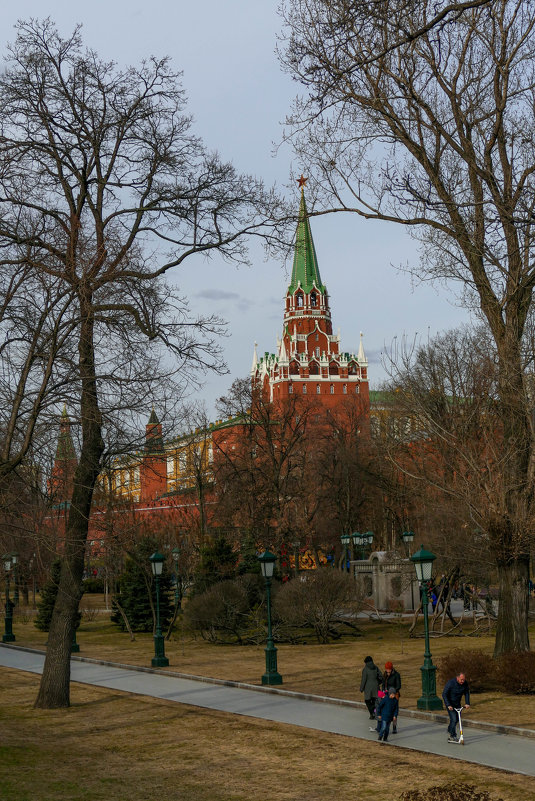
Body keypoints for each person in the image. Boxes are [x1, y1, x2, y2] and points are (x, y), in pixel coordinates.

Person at [442, 672, 470, 743]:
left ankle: (449, 730)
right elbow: (444, 694)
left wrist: (467, 703)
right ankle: (452, 735)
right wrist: (448, 705)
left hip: (457, 704)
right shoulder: (450, 683)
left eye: (464, 680)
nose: (462, 681)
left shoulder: (465, 684)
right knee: (453, 719)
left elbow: (467, 693)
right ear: (457, 678)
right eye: (461, 680)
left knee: (457, 719)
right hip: (450, 704)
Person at [381, 661, 401, 733]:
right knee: (386, 710)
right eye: (386, 669)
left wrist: (393, 692)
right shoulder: (385, 675)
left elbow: (399, 686)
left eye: (389, 669)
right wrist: (382, 692)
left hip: (394, 695)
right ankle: (385, 725)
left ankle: (394, 727)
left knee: (394, 711)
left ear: (391, 669)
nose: (388, 671)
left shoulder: (396, 675)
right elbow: (383, 684)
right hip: (386, 694)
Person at [360, 655, 383, 720]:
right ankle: (374, 713)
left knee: (367, 701)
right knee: (374, 701)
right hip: (376, 688)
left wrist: (361, 688)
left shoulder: (365, 669)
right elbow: (381, 676)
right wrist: (378, 682)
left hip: (368, 689)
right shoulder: (376, 667)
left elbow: (364, 680)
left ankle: (372, 713)